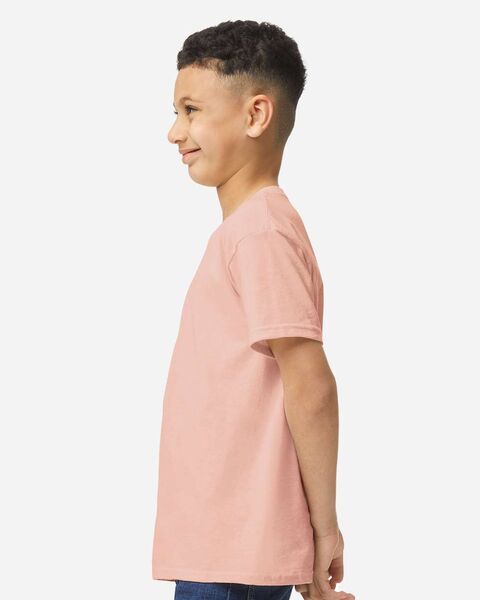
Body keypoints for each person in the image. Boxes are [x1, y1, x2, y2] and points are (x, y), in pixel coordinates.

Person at [152, 19, 355, 600]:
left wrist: (323, 529)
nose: (174, 131)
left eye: (191, 110)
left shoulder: (260, 233)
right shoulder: (249, 231)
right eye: (175, 112)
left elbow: (310, 384)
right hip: (222, 543)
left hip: (232, 553)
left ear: (256, 115)